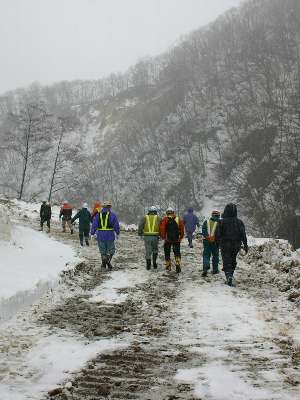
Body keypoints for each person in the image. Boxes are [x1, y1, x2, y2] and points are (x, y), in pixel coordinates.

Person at [216, 203, 248, 286]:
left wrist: (217, 243)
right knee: (233, 260)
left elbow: (217, 234)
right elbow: (243, 234)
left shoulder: (221, 221)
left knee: (226, 260)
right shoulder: (239, 222)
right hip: (236, 244)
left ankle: (229, 276)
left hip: (225, 244)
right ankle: (231, 274)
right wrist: (245, 245)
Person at [91, 200, 120, 269]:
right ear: (110, 207)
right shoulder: (113, 215)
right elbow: (116, 225)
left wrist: (92, 233)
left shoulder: (98, 215)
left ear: (103, 207)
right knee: (111, 250)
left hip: (100, 235)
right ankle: (107, 261)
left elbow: (94, 224)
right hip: (110, 235)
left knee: (102, 251)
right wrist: (117, 233)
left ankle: (103, 264)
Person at [160, 207, 185, 273]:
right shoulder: (178, 219)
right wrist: (181, 237)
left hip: (167, 240)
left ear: (167, 213)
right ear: (173, 212)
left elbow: (162, 229)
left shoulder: (165, 219)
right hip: (176, 239)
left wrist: (163, 237)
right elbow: (182, 229)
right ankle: (178, 264)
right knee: (177, 253)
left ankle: (168, 266)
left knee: (167, 253)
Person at [138, 206, 161, 270]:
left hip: (147, 237)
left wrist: (140, 233)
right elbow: (161, 227)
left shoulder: (145, 217)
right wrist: (162, 235)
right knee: (155, 250)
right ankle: (154, 263)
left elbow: (140, 225)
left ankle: (148, 265)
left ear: (149, 211)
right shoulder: (158, 218)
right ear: (155, 211)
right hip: (155, 237)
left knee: (148, 250)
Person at [201, 210, 221, 276]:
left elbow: (203, 230)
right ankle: (215, 270)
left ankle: (205, 268)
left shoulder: (206, 222)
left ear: (212, 215)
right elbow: (220, 234)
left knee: (206, 255)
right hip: (215, 242)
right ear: (218, 215)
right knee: (215, 256)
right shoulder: (220, 223)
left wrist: (207, 237)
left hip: (206, 241)